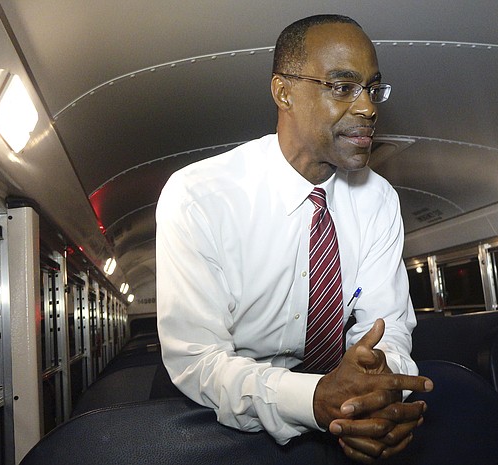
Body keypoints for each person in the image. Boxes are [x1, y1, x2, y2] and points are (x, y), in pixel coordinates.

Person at [156, 14, 432, 463]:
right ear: (284, 92)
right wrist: (314, 397)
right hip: (221, 419)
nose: (368, 107)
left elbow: (388, 325)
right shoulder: (199, 196)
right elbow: (199, 362)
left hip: (342, 409)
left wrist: (379, 388)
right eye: (343, 87)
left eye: (372, 88)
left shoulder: (379, 199)